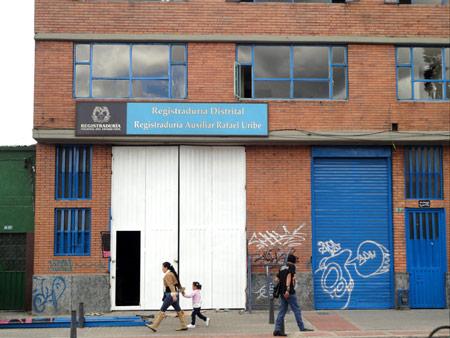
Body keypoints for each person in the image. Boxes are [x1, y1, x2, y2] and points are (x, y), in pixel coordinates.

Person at [273, 254, 313, 337]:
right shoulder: (291, 266)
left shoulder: (282, 267)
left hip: (281, 292)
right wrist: (287, 289)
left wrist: (282, 286)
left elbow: (276, 279)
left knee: (282, 311)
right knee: (296, 310)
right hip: (289, 292)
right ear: (293, 260)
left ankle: (277, 329)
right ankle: (301, 327)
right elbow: (289, 276)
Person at [146, 262, 188, 332]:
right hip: (173, 294)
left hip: (170, 295)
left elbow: (171, 285)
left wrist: (174, 295)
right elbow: (177, 284)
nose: (162, 269)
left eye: (162, 267)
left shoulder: (168, 275)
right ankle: (184, 325)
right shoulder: (172, 273)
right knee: (178, 310)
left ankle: (154, 326)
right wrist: (182, 292)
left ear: (166, 267)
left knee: (162, 310)